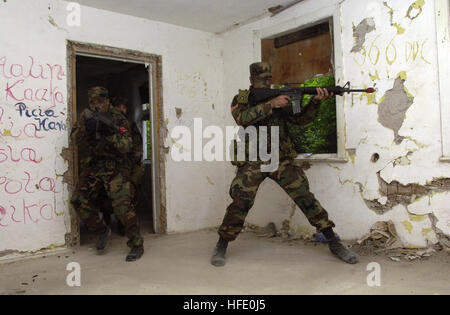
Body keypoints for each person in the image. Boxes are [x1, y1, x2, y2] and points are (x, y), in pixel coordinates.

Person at [211, 62, 358, 266]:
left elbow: (300, 120)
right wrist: (271, 105)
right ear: (252, 79)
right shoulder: (243, 98)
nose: (267, 82)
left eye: (269, 79)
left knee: (305, 197)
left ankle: (332, 240)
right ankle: (222, 243)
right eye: (263, 79)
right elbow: (242, 118)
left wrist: (315, 101)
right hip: (253, 159)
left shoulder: (279, 95)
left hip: (280, 158)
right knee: (241, 201)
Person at [70, 87, 144, 262]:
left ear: (107, 101)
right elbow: (74, 140)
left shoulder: (118, 118)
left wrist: (108, 133)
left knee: (122, 206)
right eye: (92, 102)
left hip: (115, 168)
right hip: (95, 167)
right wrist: (84, 130)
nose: (96, 106)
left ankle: (136, 244)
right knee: (78, 199)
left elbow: (126, 146)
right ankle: (101, 230)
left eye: (100, 102)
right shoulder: (86, 115)